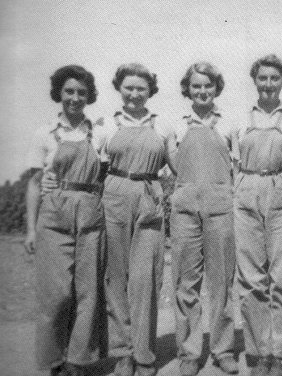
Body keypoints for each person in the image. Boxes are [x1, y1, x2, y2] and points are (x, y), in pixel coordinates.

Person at [24, 65, 105, 376]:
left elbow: (108, 173)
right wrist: (31, 229)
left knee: (87, 291)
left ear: (89, 96)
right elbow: (33, 183)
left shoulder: (98, 131)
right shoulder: (43, 134)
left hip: (89, 215)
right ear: (59, 92)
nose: (75, 98)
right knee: (56, 292)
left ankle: (78, 361)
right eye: (69, 91)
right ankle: (54, 360)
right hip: (53, 216)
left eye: (81, 93)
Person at [167, 62, 238, 376]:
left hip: (220, 207)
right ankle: (189, 352)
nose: (202, 91)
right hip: (185, 210)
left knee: (222, 282)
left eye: (208, 85)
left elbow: (236, 166)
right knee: (186, 283)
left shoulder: (229, 125)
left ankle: (223, 350)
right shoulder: (176, 126)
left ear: (216, 88)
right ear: (188, 89)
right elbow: (172, 165)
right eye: (196, 86)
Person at [99, 63, 171, 376]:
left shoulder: (163, 125)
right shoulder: (106, 125)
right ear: (120, 89)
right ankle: (122, 353)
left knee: (146, 278)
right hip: (114, 194)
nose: (134, 93)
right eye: (129, 87)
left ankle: (143, 354)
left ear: (150, 91)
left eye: (141, 88)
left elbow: (180, 166)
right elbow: (95, 169)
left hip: (149, 195)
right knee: (116, 277)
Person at [233, 54, 282, 376]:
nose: (269, 84)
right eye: (263, 78)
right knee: (250, 279)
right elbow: (232, 161)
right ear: (255, 81)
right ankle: (261, 353)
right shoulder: (240, 117)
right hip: (247, 188)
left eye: (275, 78)